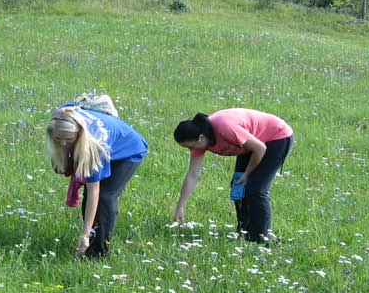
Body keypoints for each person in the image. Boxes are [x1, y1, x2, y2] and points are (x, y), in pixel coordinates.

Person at [173, 109, 293, 243]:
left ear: (201, 137)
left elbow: (260, 148)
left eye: (190, 146)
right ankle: (244, 231)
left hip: (276, 138)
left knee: (256, 189)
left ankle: (261, 239)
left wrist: (247, 174)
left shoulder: (225, 128)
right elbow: (192, 175)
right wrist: (180, 206)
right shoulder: (200, 141)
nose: (191, 150)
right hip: (250, 144)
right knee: (238, 187)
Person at [47, 102, 147, 258]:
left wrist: (84, 235)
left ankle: (98, 253)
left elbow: (94, 191)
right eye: (58, 139)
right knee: (93, 195)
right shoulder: (64, 115)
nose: (63, 144)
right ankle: (91, 239)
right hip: (110, 142)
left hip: (129, 151)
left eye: (68, 139)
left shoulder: (94, 144)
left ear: (80, 134)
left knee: (105, 196)